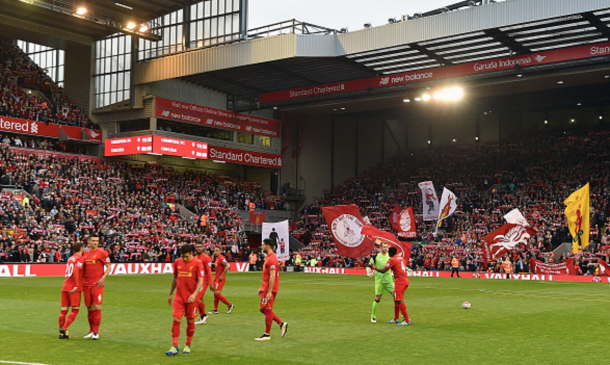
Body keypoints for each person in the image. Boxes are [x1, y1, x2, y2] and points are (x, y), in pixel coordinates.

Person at [166, 244, 204, 356]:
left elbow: (201, 281)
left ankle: (187, 344)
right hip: (179, 297)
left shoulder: (198, 263)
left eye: (186, 256)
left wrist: (195, 294)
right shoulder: (177, 262)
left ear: (192, 254)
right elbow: (175, 278)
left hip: (192, 298)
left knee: (190, 321)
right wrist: (170, 294)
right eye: (183, 256)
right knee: (176, 319)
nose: (184, 259)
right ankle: (174, 346)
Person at [255, 238, 288, 341]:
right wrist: (262, 287)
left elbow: (272, 276)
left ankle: (267, 334)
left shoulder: (272, 258)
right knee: (263, 309)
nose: (262, 247)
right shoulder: (269, 258)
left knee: (267, 309)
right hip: (266, 287)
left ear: (268, 246)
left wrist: (269, 291)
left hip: (270, 288)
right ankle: (281, 324)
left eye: (263, 245)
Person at [372, 246, 411, 326]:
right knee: (396, 299)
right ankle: (396, 318)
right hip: (405, 280)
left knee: (399, 300)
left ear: (390, 253)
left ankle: (407, 320)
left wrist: (373, 267)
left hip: (400, 282)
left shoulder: (392, 260)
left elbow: (383, 271)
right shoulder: (401, 259)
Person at [82, 234, 111, 340]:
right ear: (88, 241)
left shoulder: (102, 253)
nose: (95, 242)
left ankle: (96, 332)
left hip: (97, 284)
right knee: (89, 307)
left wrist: (102, 278)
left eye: (97, 240)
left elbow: (109, 267)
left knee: (96, 306)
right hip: (86, 284)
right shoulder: (84, 254)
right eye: (93, 240)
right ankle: (91, 331)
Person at [58, 241, 85, 339]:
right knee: (75, 310)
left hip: (65, 287)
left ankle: (61, 333)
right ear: (81, 249)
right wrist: (77, 285)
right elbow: (76, 270)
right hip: (74, 288)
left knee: (64, 310)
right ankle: (64, 328)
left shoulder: (70, 258)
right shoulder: (80, 259)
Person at [367, 241, 394, 324]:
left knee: (397, 297)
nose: (386, 249)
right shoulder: (376, 257)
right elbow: (369, 265)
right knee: (378, 298)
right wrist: (368, 271)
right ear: (380, 247)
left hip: (389, 280)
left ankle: (398, 317)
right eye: (384, 247)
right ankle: (373, 316)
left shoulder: (390, 256)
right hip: (380, 281)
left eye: (387, 247)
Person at [210, 247, 234, 314]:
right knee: (215, 294)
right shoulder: (217, 258)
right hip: (216, 277)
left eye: (217, 251)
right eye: (214, 250)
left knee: (217, 294)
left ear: (220, 251)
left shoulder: (221, 258)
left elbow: (227, 266)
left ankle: (230, 305)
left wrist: (222, 275)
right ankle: (215, 309)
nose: (215, 252)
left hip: (220, 278)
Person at [194, 242, 213, 325]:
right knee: (199, 299)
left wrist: (211, 283)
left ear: (203, 248)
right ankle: (202, 317)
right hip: (197, 282)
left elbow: (209, 271)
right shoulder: (195, 258)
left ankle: (204, 315)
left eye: (200, 247)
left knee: (198, 298)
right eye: (197, 247)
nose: (199, 248)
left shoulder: (206, 258)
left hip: (204, 281)